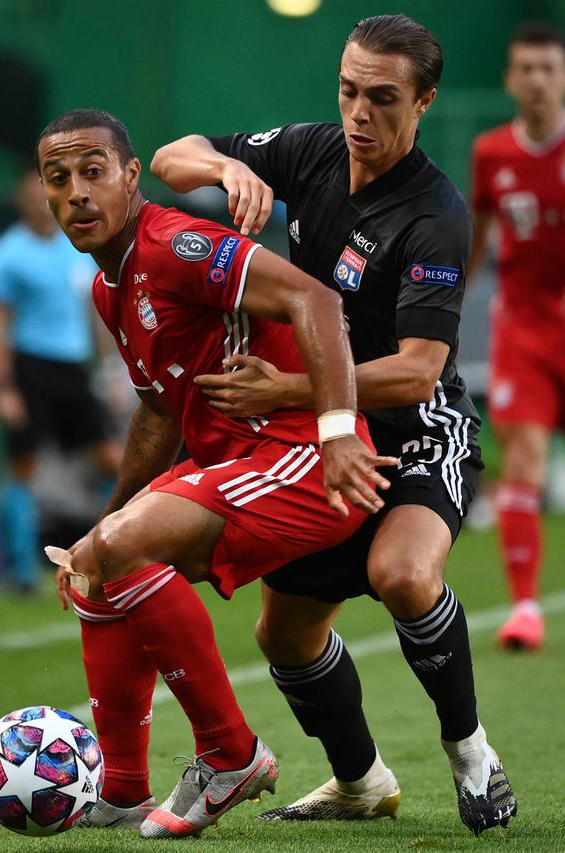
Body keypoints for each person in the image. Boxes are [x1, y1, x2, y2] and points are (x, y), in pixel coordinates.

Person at [151, 13, 516, 837]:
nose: (359, 113)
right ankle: (361, 781)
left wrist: (285, 386)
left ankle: (472, 754)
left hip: (417, 433)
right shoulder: (315, 149)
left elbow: (421, 366)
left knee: (403, 574)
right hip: (318, 436)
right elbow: (174, 156)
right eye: (348, 90)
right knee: (283, 634)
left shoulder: (436, 215)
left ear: (423, 102)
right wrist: (221, 168)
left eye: (382, 98)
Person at [36, 108, 395, 839]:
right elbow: (160, 417)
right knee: (97, 571)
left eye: (93, 172)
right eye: (58, 178)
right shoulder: (111, 289)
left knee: (122, 552)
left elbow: (315, 299)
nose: (76, 192)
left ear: (132, 179)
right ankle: (127, 785)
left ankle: (231, 754)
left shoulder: (174, 245)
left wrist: (332, 431)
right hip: (240, 463)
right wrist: (102, 526)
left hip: (300, 455)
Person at [0, 167, 122, 593]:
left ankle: (114, 551)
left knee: (110, 459)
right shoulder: (5, 255)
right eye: (32, 193)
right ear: (21, 200)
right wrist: (3, 387)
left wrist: (112, 368)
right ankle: (21, 572)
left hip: (74, 370)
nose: (41, 201)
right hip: (29, 368)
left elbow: (94, 312)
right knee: (23, 468)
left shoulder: (76, 249)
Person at [469, 22, 565, 651]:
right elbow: (475, 234)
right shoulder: (491, 153)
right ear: (509, 79)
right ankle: (525, 606)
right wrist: (443, 308)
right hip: (524, 331)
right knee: (524, 461)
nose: (536, 79)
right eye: (525, 68)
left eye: (548, 68)